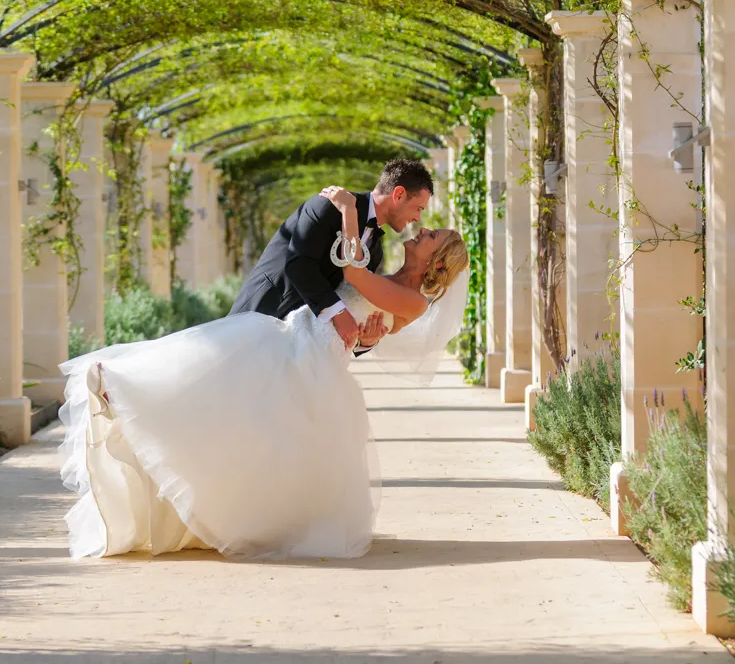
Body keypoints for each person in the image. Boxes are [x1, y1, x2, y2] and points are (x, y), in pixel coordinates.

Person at [58, 185, 470, 562]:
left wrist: (347, 209)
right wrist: (367, 337)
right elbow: (361, 320)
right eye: (422, 215)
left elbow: (352, 276)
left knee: (251, 424)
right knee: (219, 383)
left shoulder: (414, 300)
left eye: (432, 235)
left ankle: (233, 510)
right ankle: (127, 389)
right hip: (297, 334)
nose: (422, 226)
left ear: (437, 260)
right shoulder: (389, 275)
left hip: (312, 355)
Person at [228, 158, 434, 353]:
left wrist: (366, 341)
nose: (418, 218)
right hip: (263, 314)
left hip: (304, 347)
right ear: (399, 194)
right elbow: (299, 264)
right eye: (418, 208)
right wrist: (337, 312)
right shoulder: (330, 205)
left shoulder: (375, 250)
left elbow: (350, 301)